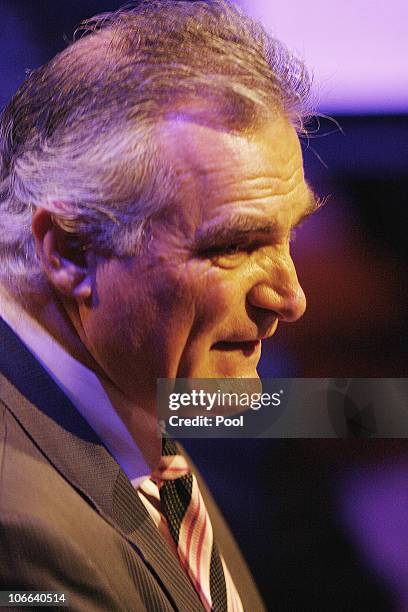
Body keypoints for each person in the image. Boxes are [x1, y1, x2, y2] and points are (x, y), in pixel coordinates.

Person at [0, 1, 319, 609]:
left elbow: (342, 411)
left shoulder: (138, 390)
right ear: (69, 253)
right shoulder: (21, 531)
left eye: (288, 233)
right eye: (233, 246)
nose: (290, 298)